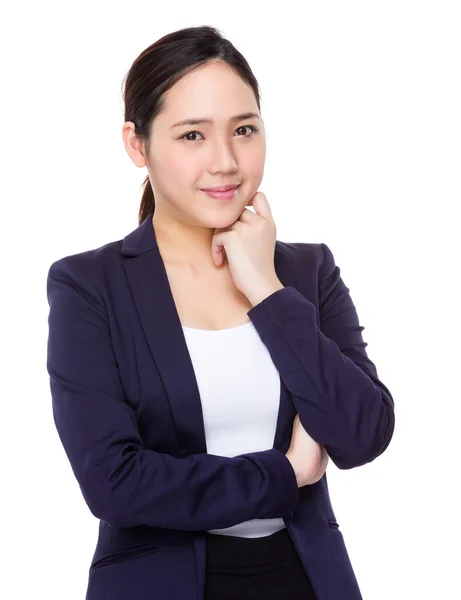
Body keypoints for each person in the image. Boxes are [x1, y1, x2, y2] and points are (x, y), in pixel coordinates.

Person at [46, 25, 395, 600]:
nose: (226, 161)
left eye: (244, 130)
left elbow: (363, 433)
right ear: (138, 145)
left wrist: (266, 289)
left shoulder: (306, 271)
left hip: (307, 581)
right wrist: (284, 474)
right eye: (191, 135)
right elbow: (115, 483)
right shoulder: (90, 286)